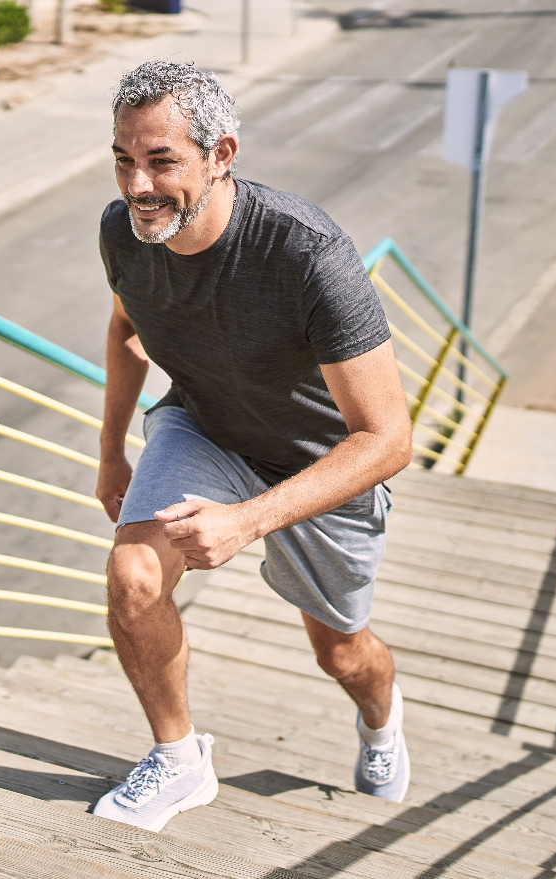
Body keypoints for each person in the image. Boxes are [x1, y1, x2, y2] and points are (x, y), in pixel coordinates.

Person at [92, 61, 414, 833]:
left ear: (220, 155)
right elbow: (126, 331)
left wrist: (247, 519)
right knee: (133, 577)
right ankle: (178, 762)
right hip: (203, 424)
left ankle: (382, 722)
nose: (138, 185)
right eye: (123, 158)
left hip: (317, 465)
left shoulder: (305, 252)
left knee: (342, 654)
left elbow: (389, 437)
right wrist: (111, 453)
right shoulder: (123, 230)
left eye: (162, 160)